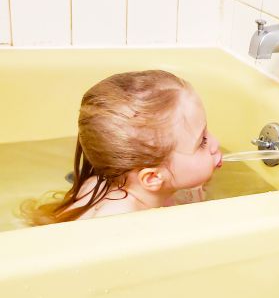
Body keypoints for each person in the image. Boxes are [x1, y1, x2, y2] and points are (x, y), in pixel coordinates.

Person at [21, 70, 222, 225]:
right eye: (202, 141)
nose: (215, 143)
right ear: (152, 178)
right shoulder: (121, 219)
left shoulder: (110, 183)